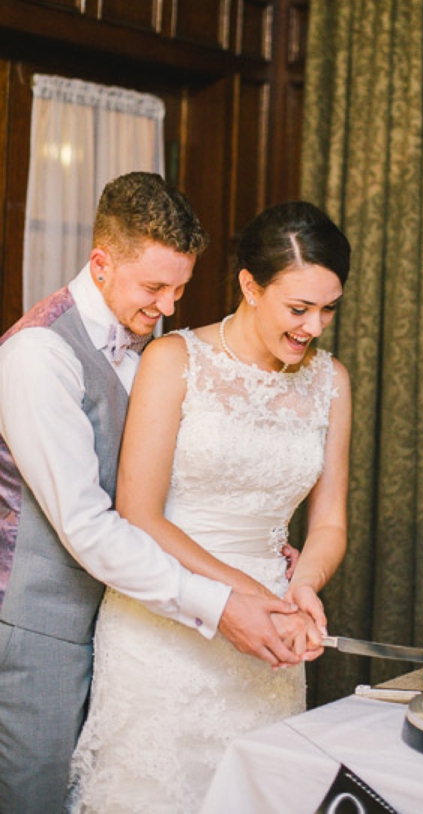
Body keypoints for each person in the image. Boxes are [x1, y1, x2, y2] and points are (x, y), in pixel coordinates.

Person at [0, 173, 304, 814]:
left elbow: (165, 481)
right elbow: (87, 526)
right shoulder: (38, 355)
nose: (168, 306)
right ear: (101, 263)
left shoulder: (149, 347)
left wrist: (252, 536)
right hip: (37, 628)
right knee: (36, 800)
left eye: (181, 289)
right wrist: (218, 604)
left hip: (121, 627)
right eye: (154, 287)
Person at [67, 200, 352, 813]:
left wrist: (304, 583)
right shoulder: (174, 361)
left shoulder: (332, 381)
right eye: (299, 308)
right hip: (162, 629)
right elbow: (139, 513)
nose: (314, 327)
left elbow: (328, 520)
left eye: (329, 308)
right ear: (250, 286)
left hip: (270, 636)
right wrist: (244, 592)